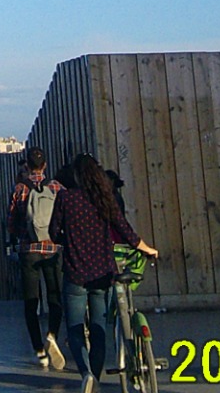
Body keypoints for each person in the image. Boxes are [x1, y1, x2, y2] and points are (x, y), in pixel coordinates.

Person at [53, 154, 151, 393]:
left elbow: (54, 234)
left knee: (75, 328)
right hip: (103, 273)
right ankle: (94, 377)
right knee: (99, 328)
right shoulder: (104, 198)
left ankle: (86, 374)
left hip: (75, 273)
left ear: (76, 175)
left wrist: (71, 240)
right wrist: (148, 249)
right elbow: (124, 229)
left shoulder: (65, 198)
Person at [6, 147, 68, 370]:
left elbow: (11, 224)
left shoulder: (20, 189)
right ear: (44, 165)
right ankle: (52, 334)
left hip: (29, 249)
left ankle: (39, 351)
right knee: (55, 295)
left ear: (27, 166)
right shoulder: (57, 187)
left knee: (31, 301)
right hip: (52, 248)